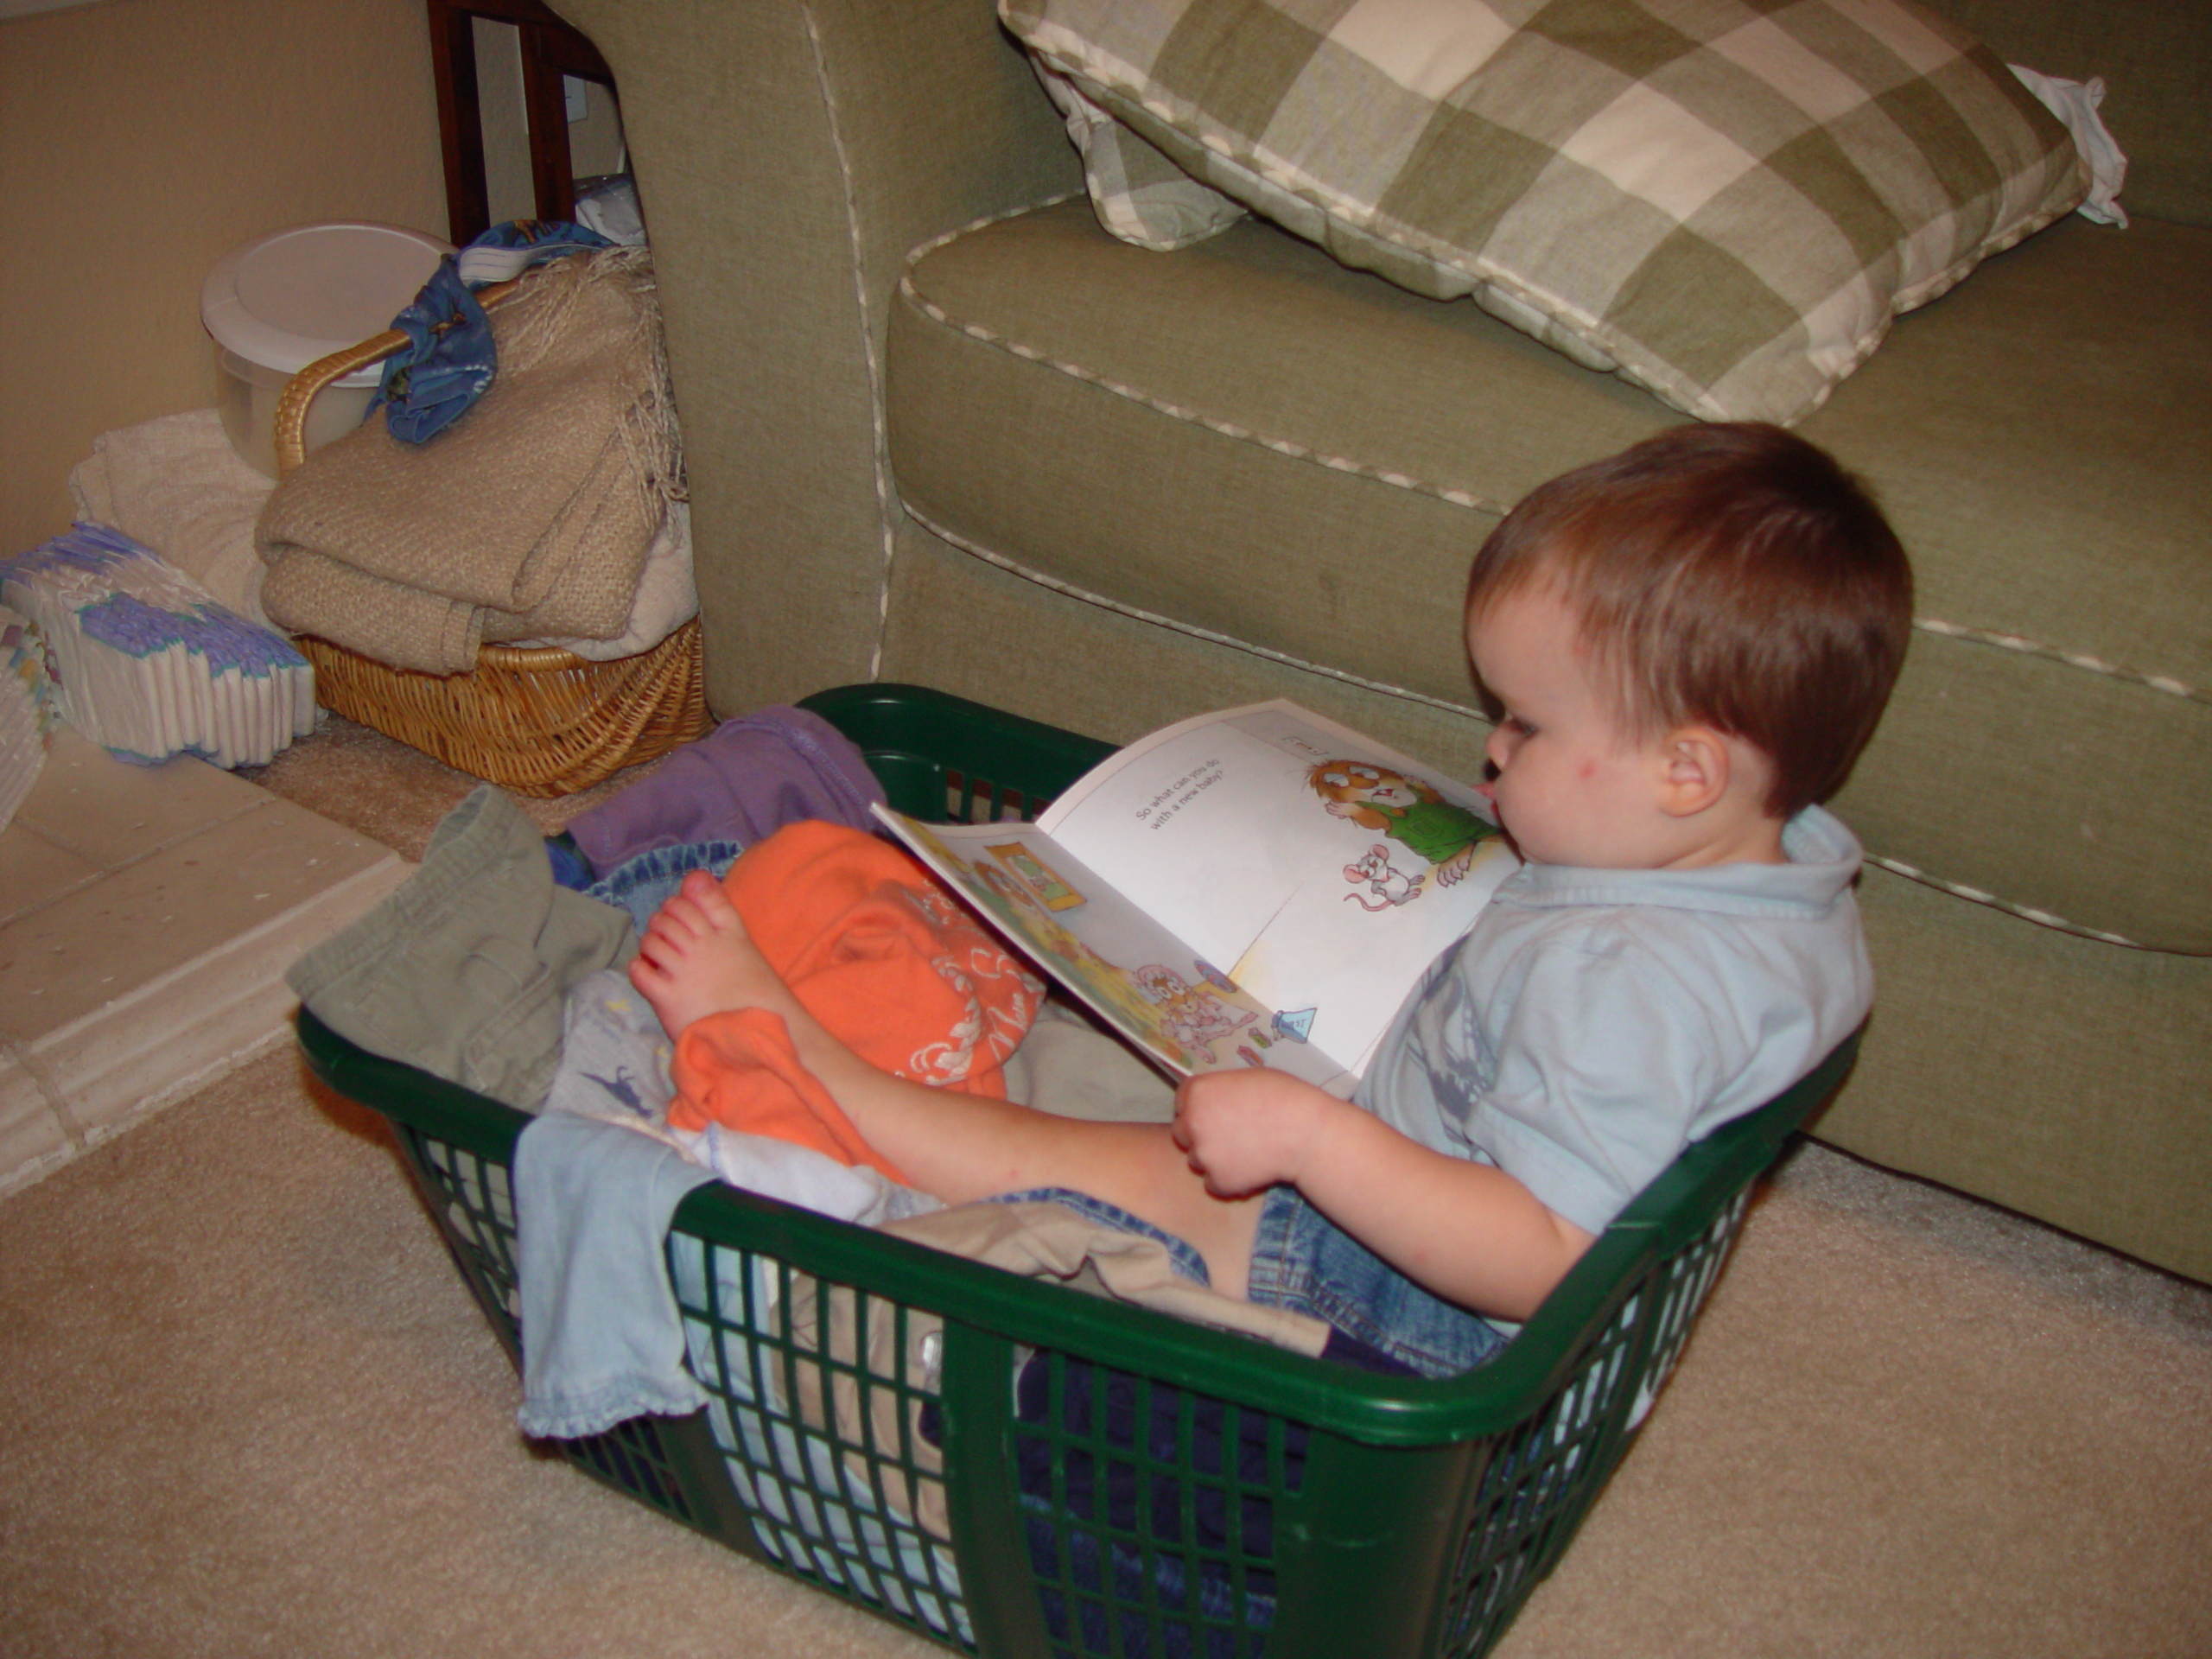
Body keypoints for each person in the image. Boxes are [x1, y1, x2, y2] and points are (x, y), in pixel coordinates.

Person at [627, 423, 1914, 1377]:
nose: (1492, 756)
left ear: (1688, 771)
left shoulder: (1625, 983)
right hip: (1432, 1126)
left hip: (1438, 1306)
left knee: (1117, 1173)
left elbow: (1540, 1258)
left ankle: (807, 1065)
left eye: (1524, 723)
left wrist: (1311, 1144)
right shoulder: (1778, 869)